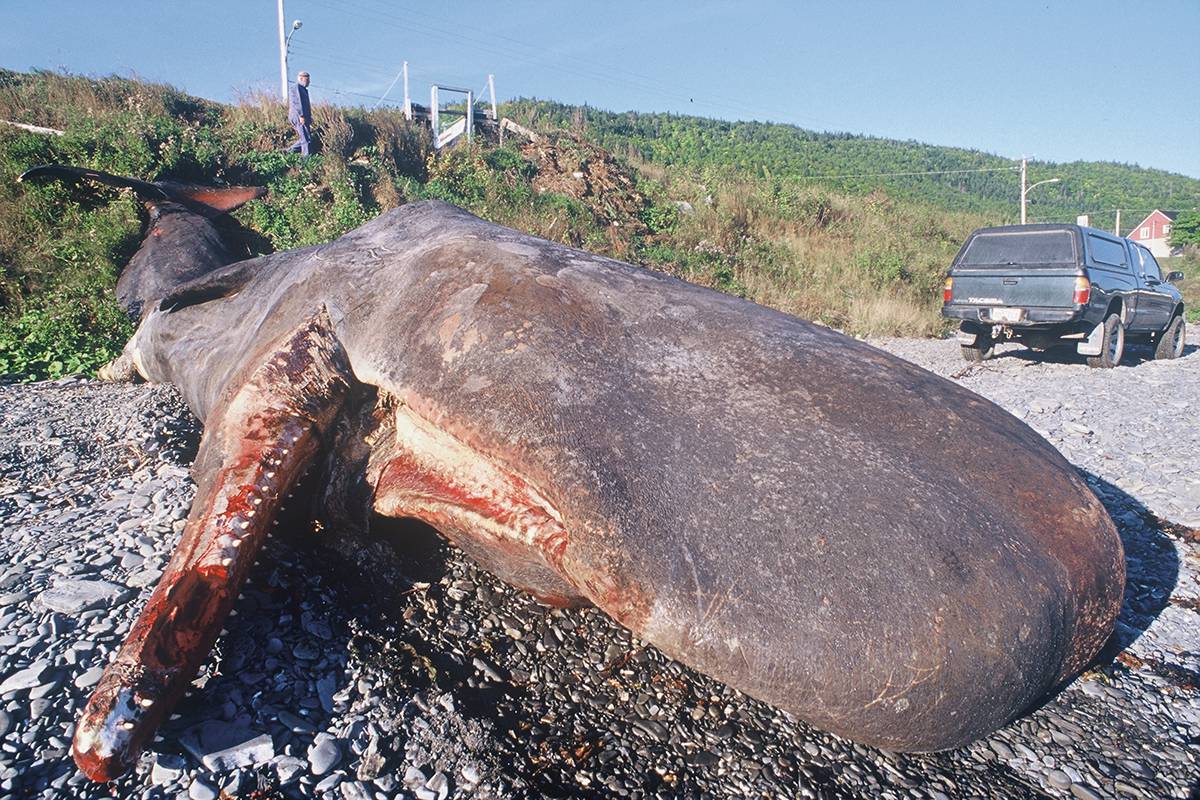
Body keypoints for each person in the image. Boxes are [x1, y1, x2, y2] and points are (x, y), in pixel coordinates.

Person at [287, 70, 312, 157]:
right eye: (307, 80)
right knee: (306, 139)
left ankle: (288, 151)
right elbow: (297, 102)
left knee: (306, 138)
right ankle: (306, 159)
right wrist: (301, 115)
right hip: (299, 116)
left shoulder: (303, 89)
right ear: (301, 78)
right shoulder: (297, 87)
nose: (309, 82)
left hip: (302, 116)